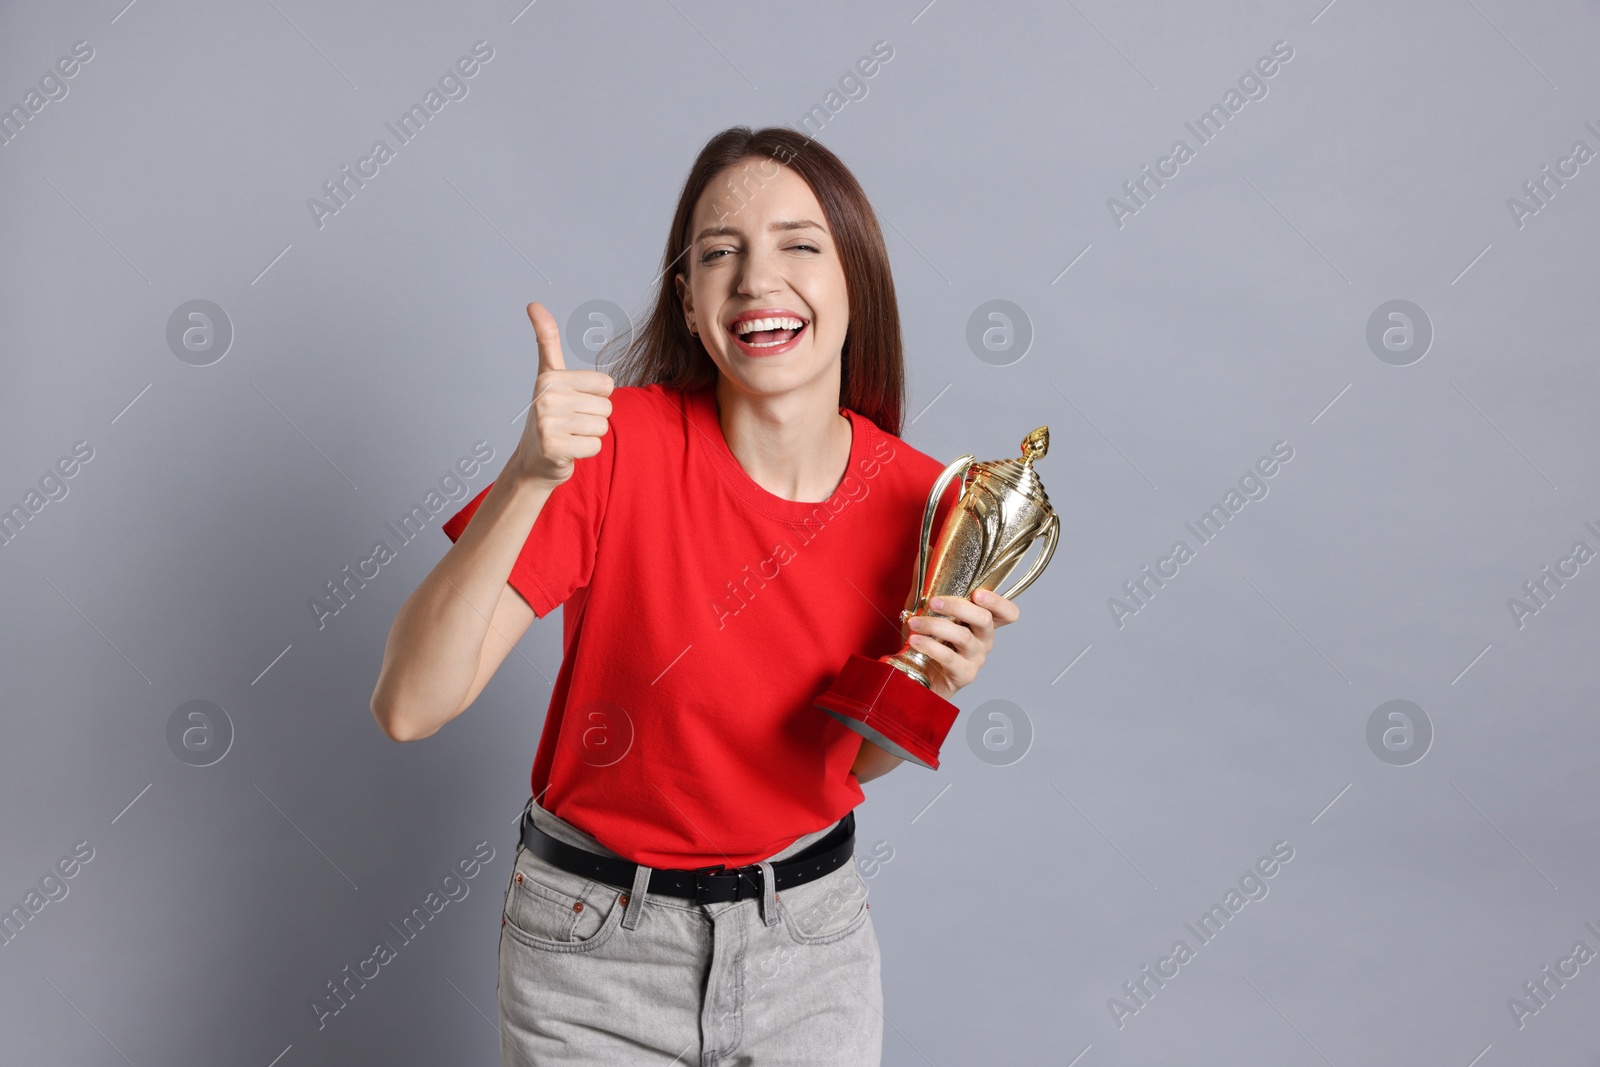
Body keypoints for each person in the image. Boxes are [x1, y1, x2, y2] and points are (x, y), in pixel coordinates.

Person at [370, 125, 1021, 1066]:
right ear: (688, 300)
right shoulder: (604, 453)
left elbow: (839, 766)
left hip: (809, 949)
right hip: (593, 954)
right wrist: (525, 477)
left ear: (856, 282)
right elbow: (409, 705)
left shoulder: (932, 505)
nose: (759, 279)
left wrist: (935, 681)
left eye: (800, 244)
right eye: (722, 253)